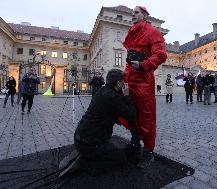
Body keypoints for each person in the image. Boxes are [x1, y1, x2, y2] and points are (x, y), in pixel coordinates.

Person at [59, 69, 136, 177]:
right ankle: (85, 163)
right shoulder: (112, 97)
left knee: (110, 149)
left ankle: (85, 155)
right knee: (121, 159)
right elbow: (131, 114)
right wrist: (127, 95)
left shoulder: (102, 91)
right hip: (90, 143)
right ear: (118, 83)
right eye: (123, 81)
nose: (125, 83)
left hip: (80, 137)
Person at [123, 6, 167, 168]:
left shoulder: (152, 32)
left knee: (146, 116)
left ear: (145, 15)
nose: (132, 15)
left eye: (136, 12)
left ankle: (148, 152)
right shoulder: (132, 31)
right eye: (132, 13)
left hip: (143, 81)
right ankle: (136, 144)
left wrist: (142, 65)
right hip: (129, 79)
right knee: (130, 113)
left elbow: (161, 55)